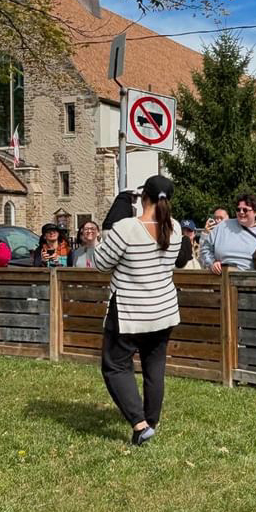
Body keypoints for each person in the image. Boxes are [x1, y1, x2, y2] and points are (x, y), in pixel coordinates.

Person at [93, 174, 182, 446]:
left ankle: (140, 425)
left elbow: (100, 263)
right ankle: (151, 420)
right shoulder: (175, 228)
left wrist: (104, 234)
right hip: (163, 309)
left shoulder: (127, 228)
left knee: (115, 366)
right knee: (154, 367)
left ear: (143, 197)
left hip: (131, 311)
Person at [199, 193, 256, 273]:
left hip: (250, 280)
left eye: (245, 210)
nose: (241, 212)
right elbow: (205, 248)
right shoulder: (222, 226)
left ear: (255, 212)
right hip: (221, 278)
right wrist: (212, 262)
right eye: (238, 209)